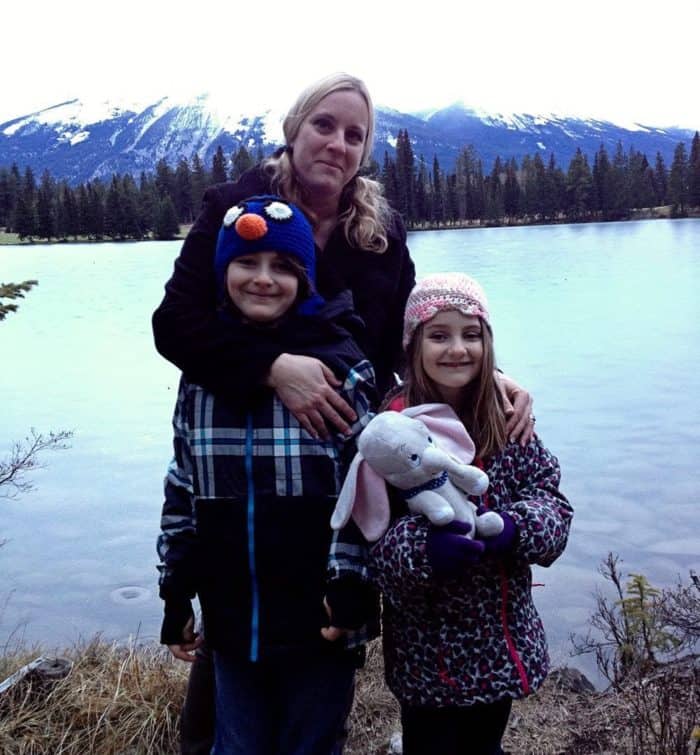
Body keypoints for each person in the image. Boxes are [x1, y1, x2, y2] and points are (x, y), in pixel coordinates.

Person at [151, 72, 534, 753]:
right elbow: (174, 326)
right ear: (295, 127)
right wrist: (271, 367)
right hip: (235, 453)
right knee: (224, 703)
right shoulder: (234, 205)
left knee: (314, 699)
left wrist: (487, 375)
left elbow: (408, 342)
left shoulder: (378, 230)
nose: (337, 142)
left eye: (354, 134)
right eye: (324, 125)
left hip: (333, 464)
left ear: (366, 149)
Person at [157, 196, 380, 755]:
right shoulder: (204, 375)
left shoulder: (341, 368)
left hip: (321, 619)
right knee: (236, 746)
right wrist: (177, 588)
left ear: (306, 281)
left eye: (284, 266)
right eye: (247, 263)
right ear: (221, 272)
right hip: (232, 622)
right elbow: (182, 484)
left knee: (313, 744)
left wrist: (353, 584)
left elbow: (368, 487)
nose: (264, 279)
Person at [367, 273, 574, 755]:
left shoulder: (507, 421)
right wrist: (423, 550)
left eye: (471, 334)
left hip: (499, 640)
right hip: (426, 651)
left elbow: (552, 503)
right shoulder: (393, 431)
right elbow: (371, 534)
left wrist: (519, 528)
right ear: (413, 345)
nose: (457, 349)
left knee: (484, 744)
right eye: (439, 335)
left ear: (488, 342)